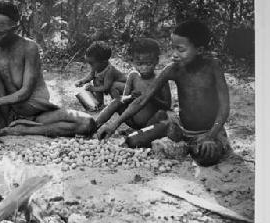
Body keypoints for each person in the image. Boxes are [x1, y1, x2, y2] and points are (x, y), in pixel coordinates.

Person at [97, 20, 231, 166]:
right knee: (132, 140)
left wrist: (211, 135)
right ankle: (182, 143)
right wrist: (113, 125)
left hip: (210, 130)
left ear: (199, 50)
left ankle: (194, 145)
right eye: (173, 48)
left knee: (204, 156)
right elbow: (142, 100)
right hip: (181, 129)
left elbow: (224, 107)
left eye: (180, 49)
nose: (174, 55)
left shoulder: (213, 66)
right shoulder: (172, 69)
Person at [0, 0, 95, 137]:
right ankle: (1, 123)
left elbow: (25, 93)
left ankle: (24, 129)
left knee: (87, 123)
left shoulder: (29, 48)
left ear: (14, 29)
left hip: (32, 112)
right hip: (3, 112)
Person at [94, 37, 171, 131]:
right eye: (139, 64)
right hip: (131, 120)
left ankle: (143, 134)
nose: (144, 68)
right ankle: (94, 126)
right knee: (116, 101)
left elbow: (167, 105)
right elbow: (124, 98)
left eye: (148, 64)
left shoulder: (160, 79)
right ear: (133, 62)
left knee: (162, 114)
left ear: (156, 61)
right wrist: (131, 96)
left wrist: (151, 98)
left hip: (150, 122)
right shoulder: (133, 76)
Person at [75, 41, 127, 109]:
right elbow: (90, 76)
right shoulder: (96, 67)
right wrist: (82, 81)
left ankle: (119, 104)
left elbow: (106, 87)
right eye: (89, 63)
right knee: (96, 80)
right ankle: (99, 104)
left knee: (113, 86)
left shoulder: (109, 71)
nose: (90, 66)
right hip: (109, 86)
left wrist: (93, 89)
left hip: (124, 89)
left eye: (91, 63)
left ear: (104, 62)